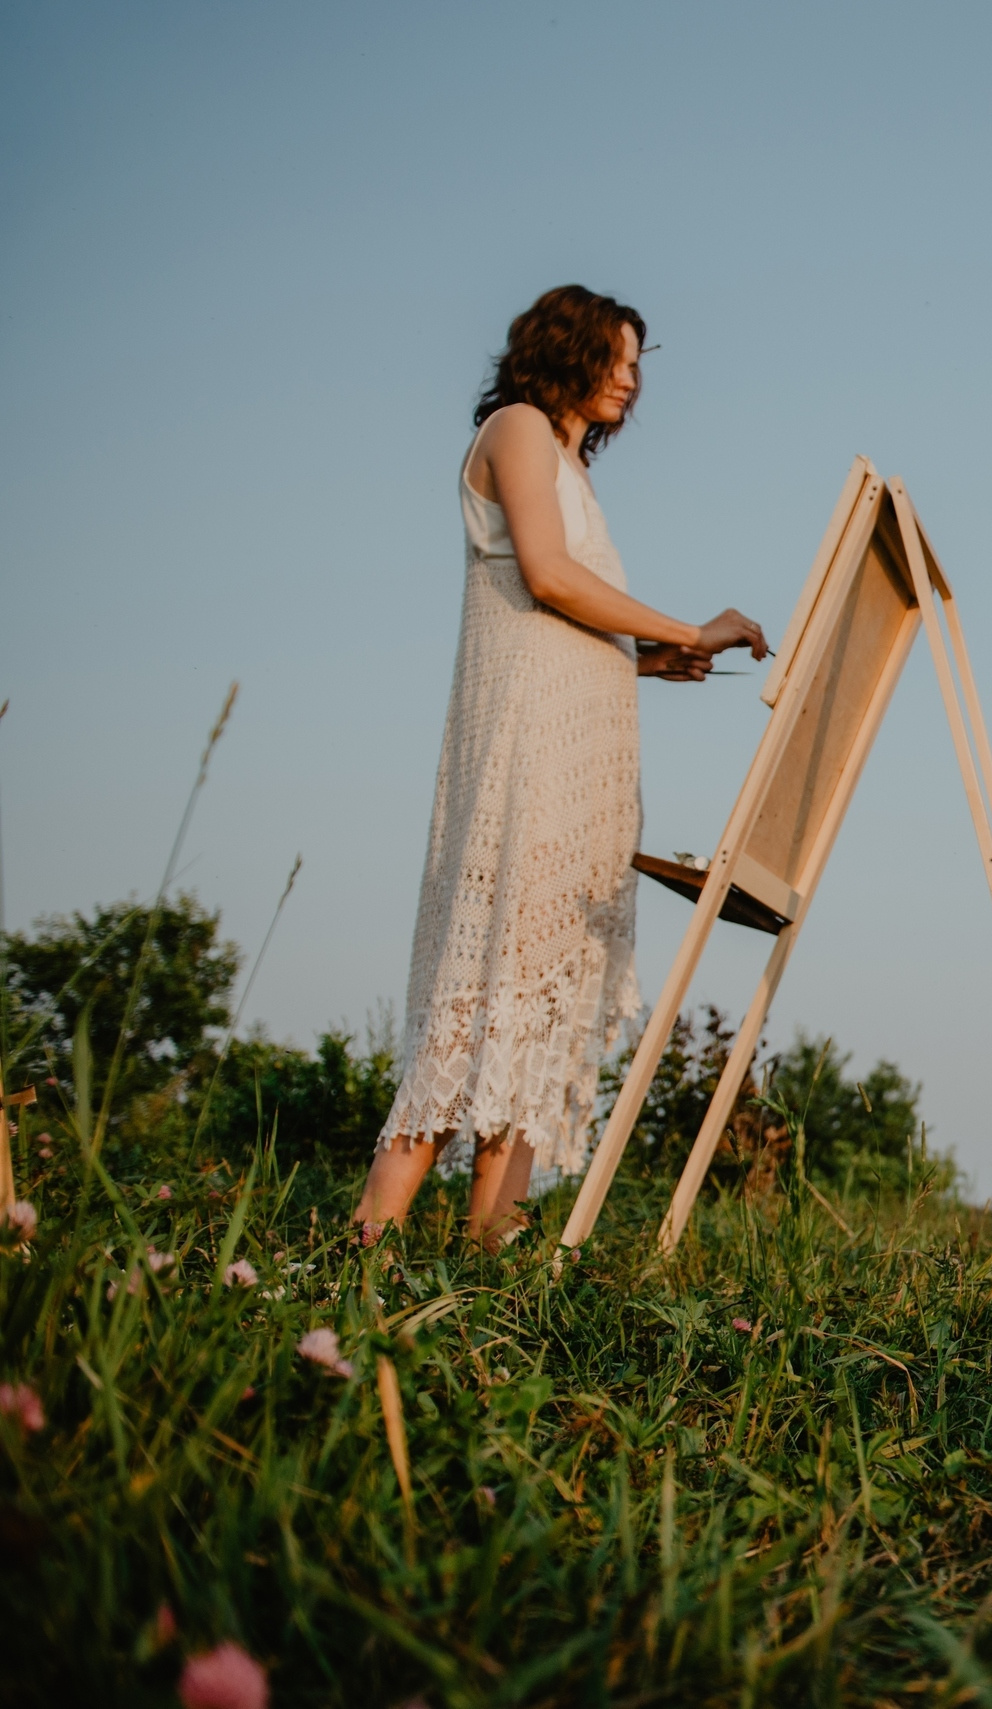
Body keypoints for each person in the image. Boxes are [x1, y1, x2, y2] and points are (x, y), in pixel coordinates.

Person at [354, 285, 768, 1250]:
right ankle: (360, 1254)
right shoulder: (518, 428)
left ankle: (485, 1268)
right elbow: (545, 575)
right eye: (618, 356)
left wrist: (649, 658)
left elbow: (566, 615)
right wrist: (682, 624)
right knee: (484, 987)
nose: (632, 377)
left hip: (585, 763)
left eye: (638, 363)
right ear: (566, 350)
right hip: (525, 757)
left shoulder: (573, 467)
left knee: (538, 1013)